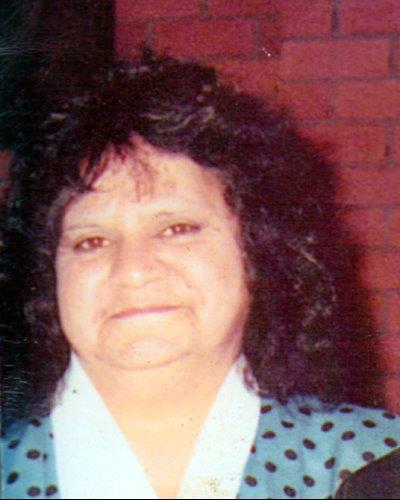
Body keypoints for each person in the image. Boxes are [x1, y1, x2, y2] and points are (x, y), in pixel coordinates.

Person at [1, 50, 399, 500]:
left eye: (176, 229)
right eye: (92, 241)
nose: (133, 270)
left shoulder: (379, 465)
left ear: (257, 247)